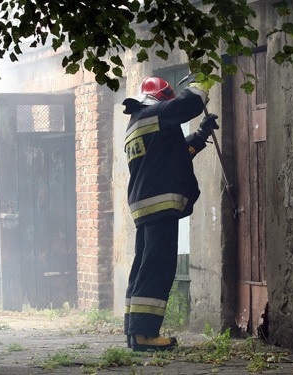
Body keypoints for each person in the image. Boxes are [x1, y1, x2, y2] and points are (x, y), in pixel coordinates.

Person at [122, 75, 218, 352]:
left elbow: (173, 154)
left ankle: (135, 331)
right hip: (159, 204)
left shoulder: (138, 124)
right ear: (160, 99)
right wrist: (203, 81)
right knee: (158, 266)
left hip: (147, 205)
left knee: (144, 265)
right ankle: (146, 334)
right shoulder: (152, 114)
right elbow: (189, 103)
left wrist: (200, 135)